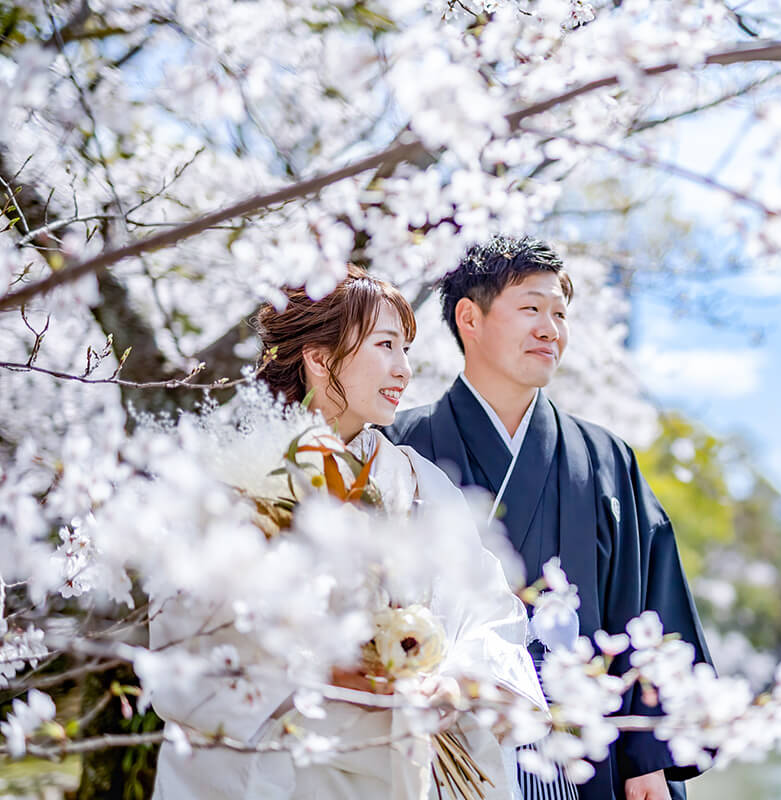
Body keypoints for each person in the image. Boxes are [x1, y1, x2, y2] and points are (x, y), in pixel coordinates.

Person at [150, 266, 546, 799]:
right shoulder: (237, 480)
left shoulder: (417, 480)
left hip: (409, 755)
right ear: (318, 357)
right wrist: (330, 669)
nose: (404, 370)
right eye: (386, 345)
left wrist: (451, 682)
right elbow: (190, 643)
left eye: (405, 349)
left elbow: (488, 610)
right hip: (283, 766)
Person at [384, 237, 712, 800]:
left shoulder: (606, 457)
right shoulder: (400, 447)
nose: (551, 329)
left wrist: (647, 755)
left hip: (589, 750)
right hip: (450, 740)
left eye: (560, 313)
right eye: (531, 308)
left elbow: (655, 608)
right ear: (470, 318)